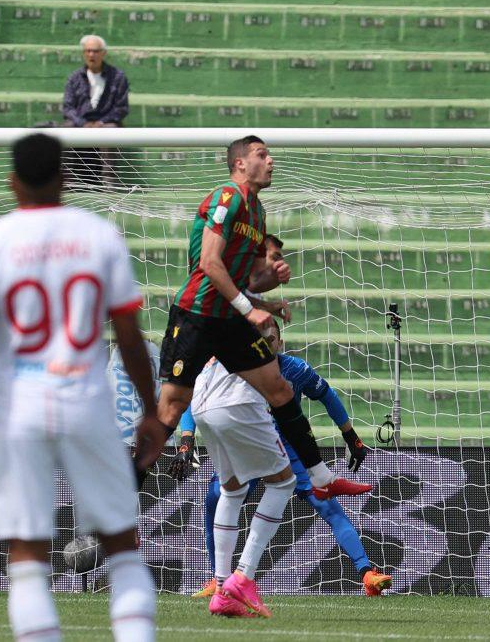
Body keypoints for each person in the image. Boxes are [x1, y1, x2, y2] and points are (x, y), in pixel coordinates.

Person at [0, 133, 163, 642]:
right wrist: (151, 411)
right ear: (65, 178)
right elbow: (128, 336)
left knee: (27, 561)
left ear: (11, 182)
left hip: (18, 407)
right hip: (85, 400)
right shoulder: (100, 236)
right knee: (123, 549)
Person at [135, 136, 371, 501]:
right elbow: (209, 265)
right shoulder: (225, 198)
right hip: (196, 316)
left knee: (279, 388)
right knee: (171, 408)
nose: (271, 161)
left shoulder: (258, 212)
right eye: (262, 154)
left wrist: (267, 293)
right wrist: (252, 309)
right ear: (240, 163)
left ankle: (322, 479)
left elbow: (241, 281)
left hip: (229, 320)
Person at [172, 319, 393, 599]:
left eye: (271, 340)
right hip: (249, 447)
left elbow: (328, 396)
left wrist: (351, 437)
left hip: (287, 450)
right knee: (216, 497)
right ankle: (219, 578)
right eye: (261, 340)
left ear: (280, 342)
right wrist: (186, 440)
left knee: (328, 507)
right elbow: (193, 395)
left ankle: (367, 574)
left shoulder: (294, 369)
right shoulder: (235, 367)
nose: (266, 345)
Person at [185, 352, 300, 618]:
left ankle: (222, 590)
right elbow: (278, 392)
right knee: (284, 483)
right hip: (236, 401)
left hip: (203, 400)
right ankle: (243, 576)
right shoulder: (250, 322)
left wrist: (185, 435)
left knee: (233, 490)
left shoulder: (206, 322)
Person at [62, 34, 130, 128]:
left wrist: (101, 122)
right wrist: (83, 123)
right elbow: (68, 108)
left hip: (106, 123)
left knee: (112, 128)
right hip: (81, 122)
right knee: (68, 126)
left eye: (95, 51)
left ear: (104, 53)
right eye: (88, 51)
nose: (91, 55)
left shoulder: (117, 77)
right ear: (83, 53)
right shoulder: (75, 78)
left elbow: (121, 108)